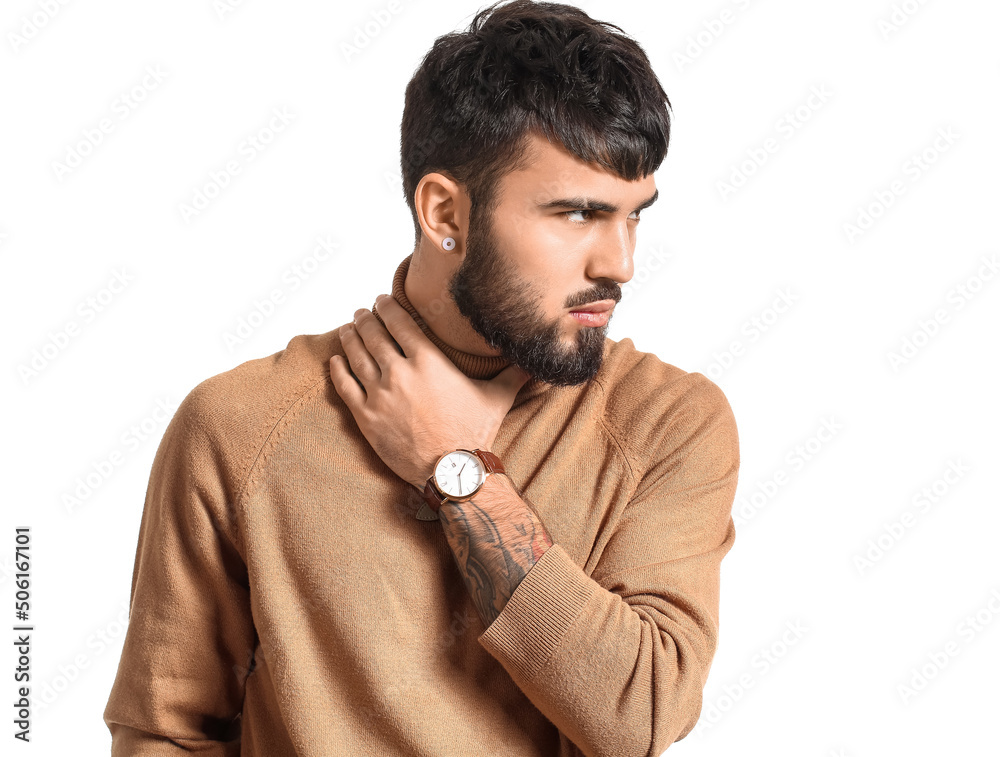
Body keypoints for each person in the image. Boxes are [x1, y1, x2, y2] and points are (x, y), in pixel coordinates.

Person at [103, 1, 740, 754]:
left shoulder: (667, 423)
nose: (620, 264)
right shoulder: (240, 426)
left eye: (636, 216)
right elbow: (167, 732)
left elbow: (641, 715)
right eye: (578, 214)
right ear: (446, 213)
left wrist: (460, 473)